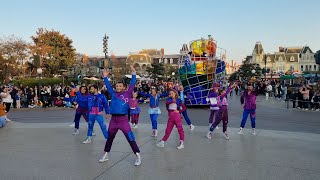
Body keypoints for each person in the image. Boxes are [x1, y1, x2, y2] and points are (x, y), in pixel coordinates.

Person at [100, 66, 141, 166]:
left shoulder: (127, 93)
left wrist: (134, 74)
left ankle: (138, 155)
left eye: (120, 86)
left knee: (130, 137)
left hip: (123, 120)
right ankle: (106, 154)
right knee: (110, 138)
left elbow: (132, 84)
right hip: (113, 120)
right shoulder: (113, 94)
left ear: (124, 87)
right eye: (117, 86)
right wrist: (105, 77)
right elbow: (108, 86)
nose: (118, 88)